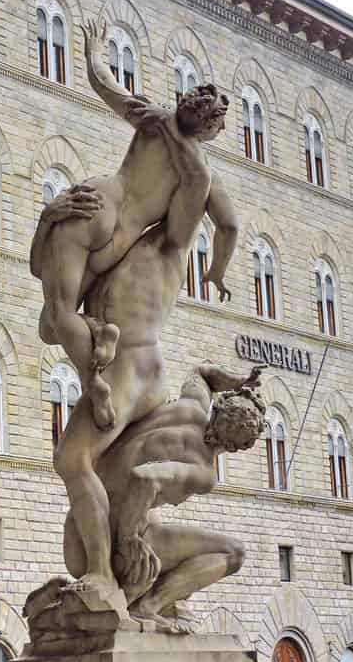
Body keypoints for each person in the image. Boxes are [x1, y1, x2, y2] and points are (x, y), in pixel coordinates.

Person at [34, 107, 238, 612]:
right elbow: (50, 307)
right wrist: (51, 217)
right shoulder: (129, 248)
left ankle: (102, 575)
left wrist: (172, 130)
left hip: (127, 366)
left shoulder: (169, 243)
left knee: (71, 459)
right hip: (138, 369)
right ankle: (134, 582)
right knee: (101, 465)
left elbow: (211, 197)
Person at [32, 19, 233, 430]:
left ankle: (94, 371)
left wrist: (92, 50)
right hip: (120, 240)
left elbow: (104, 83)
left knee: (56, 319)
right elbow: (227, 226)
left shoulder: (154, 119)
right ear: (211, 129)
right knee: (50, 327)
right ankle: (95, 365)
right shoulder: (199, 174)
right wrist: (215, 270)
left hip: (95, 201)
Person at [75, 362, 265, 632]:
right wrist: (129, 539)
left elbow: (202, 372)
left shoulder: (192, 406)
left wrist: (240, 381)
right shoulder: (203, 471)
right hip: (113, 537)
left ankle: (165, 602)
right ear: (237, 447)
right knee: (234, 553)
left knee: (153, 515)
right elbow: (146, 478)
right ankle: (148, 606)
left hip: (84, 518)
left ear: (220, 406)